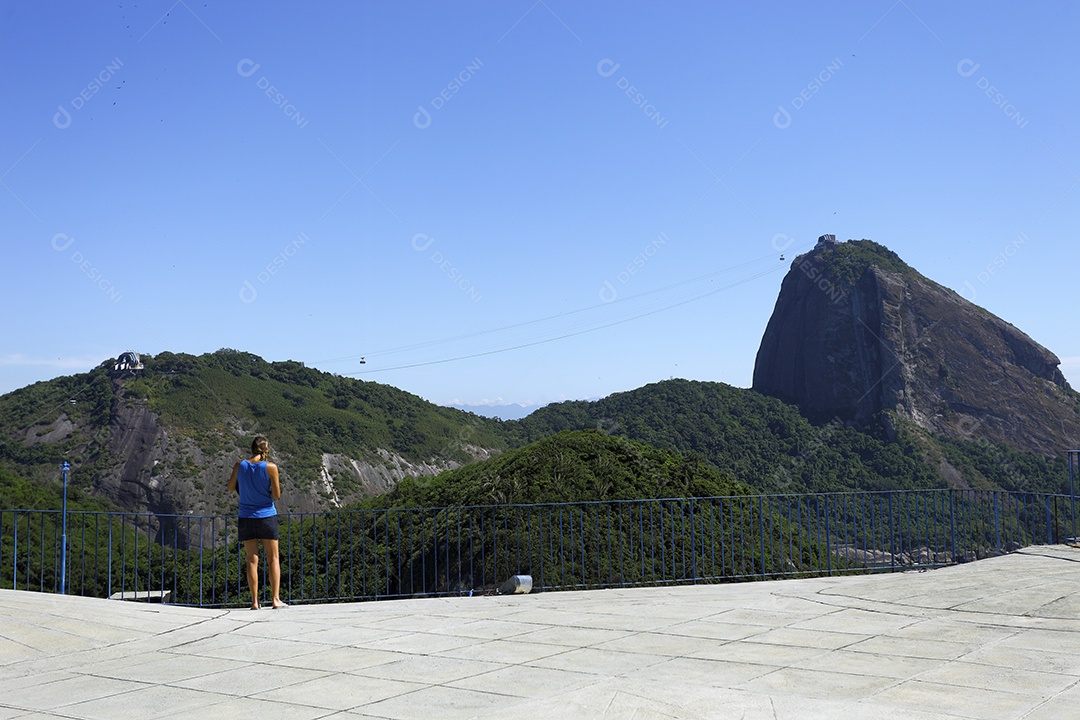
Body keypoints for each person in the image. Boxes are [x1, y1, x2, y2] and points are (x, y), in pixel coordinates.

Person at [227, 436, 286, 609]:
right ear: (266, 450)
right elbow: (276, 495)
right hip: (266, 516)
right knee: (273, 558)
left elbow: (230, 488)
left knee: (252, 560)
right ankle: (275, 599)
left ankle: (254, 601)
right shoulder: (270, 467)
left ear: (252, 448)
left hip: (246, 516)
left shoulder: (240, 465)